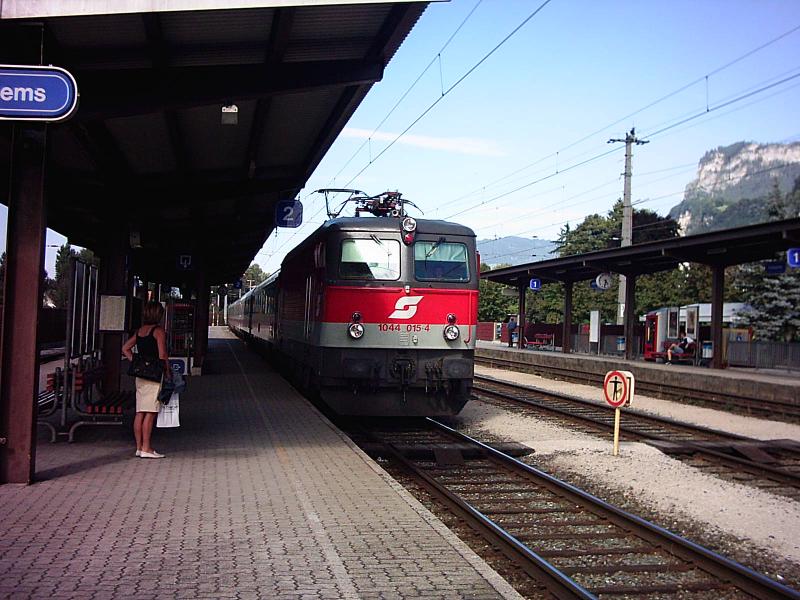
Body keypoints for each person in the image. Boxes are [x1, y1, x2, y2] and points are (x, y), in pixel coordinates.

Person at [122, 301, 170, 458]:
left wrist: (136, 362)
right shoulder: (158, 332)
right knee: (150, 412)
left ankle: (139, 447)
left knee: (140, 412)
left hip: (140, 376)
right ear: (158, 315)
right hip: (154, 375)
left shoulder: (140, 331)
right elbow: (162, 355)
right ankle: (147, 448)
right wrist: (168, 372)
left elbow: (125, 348)